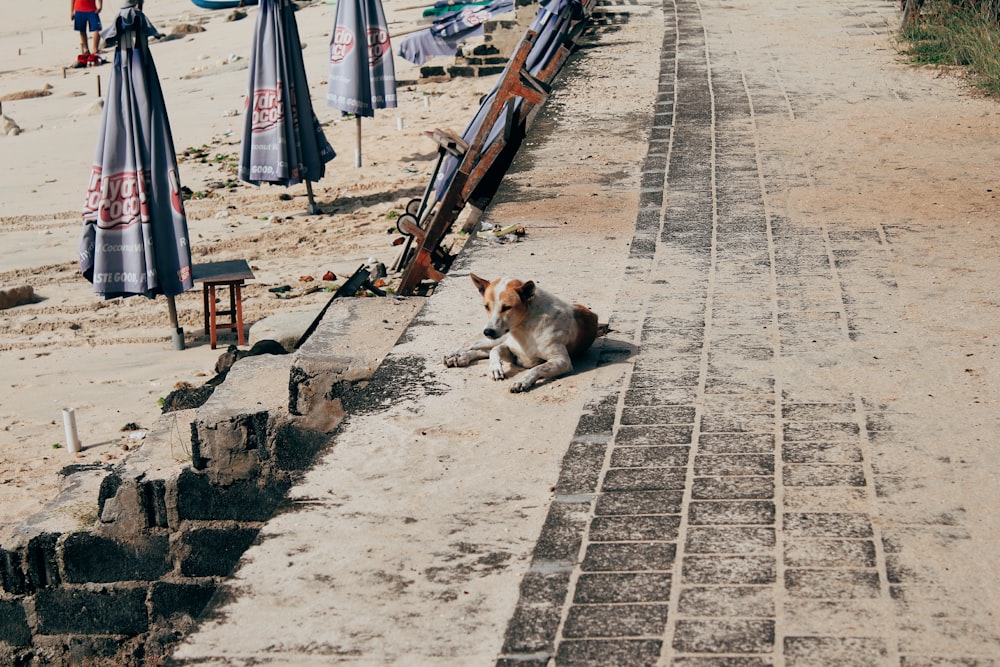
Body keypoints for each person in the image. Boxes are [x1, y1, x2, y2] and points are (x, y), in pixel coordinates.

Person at [71, 0, 104, 67]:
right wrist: (71, 11)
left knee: (97, 28)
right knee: (82, 29)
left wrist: (100, 6)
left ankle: (95, 49)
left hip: (91, 9)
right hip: (79, 8)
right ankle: (86, 50)